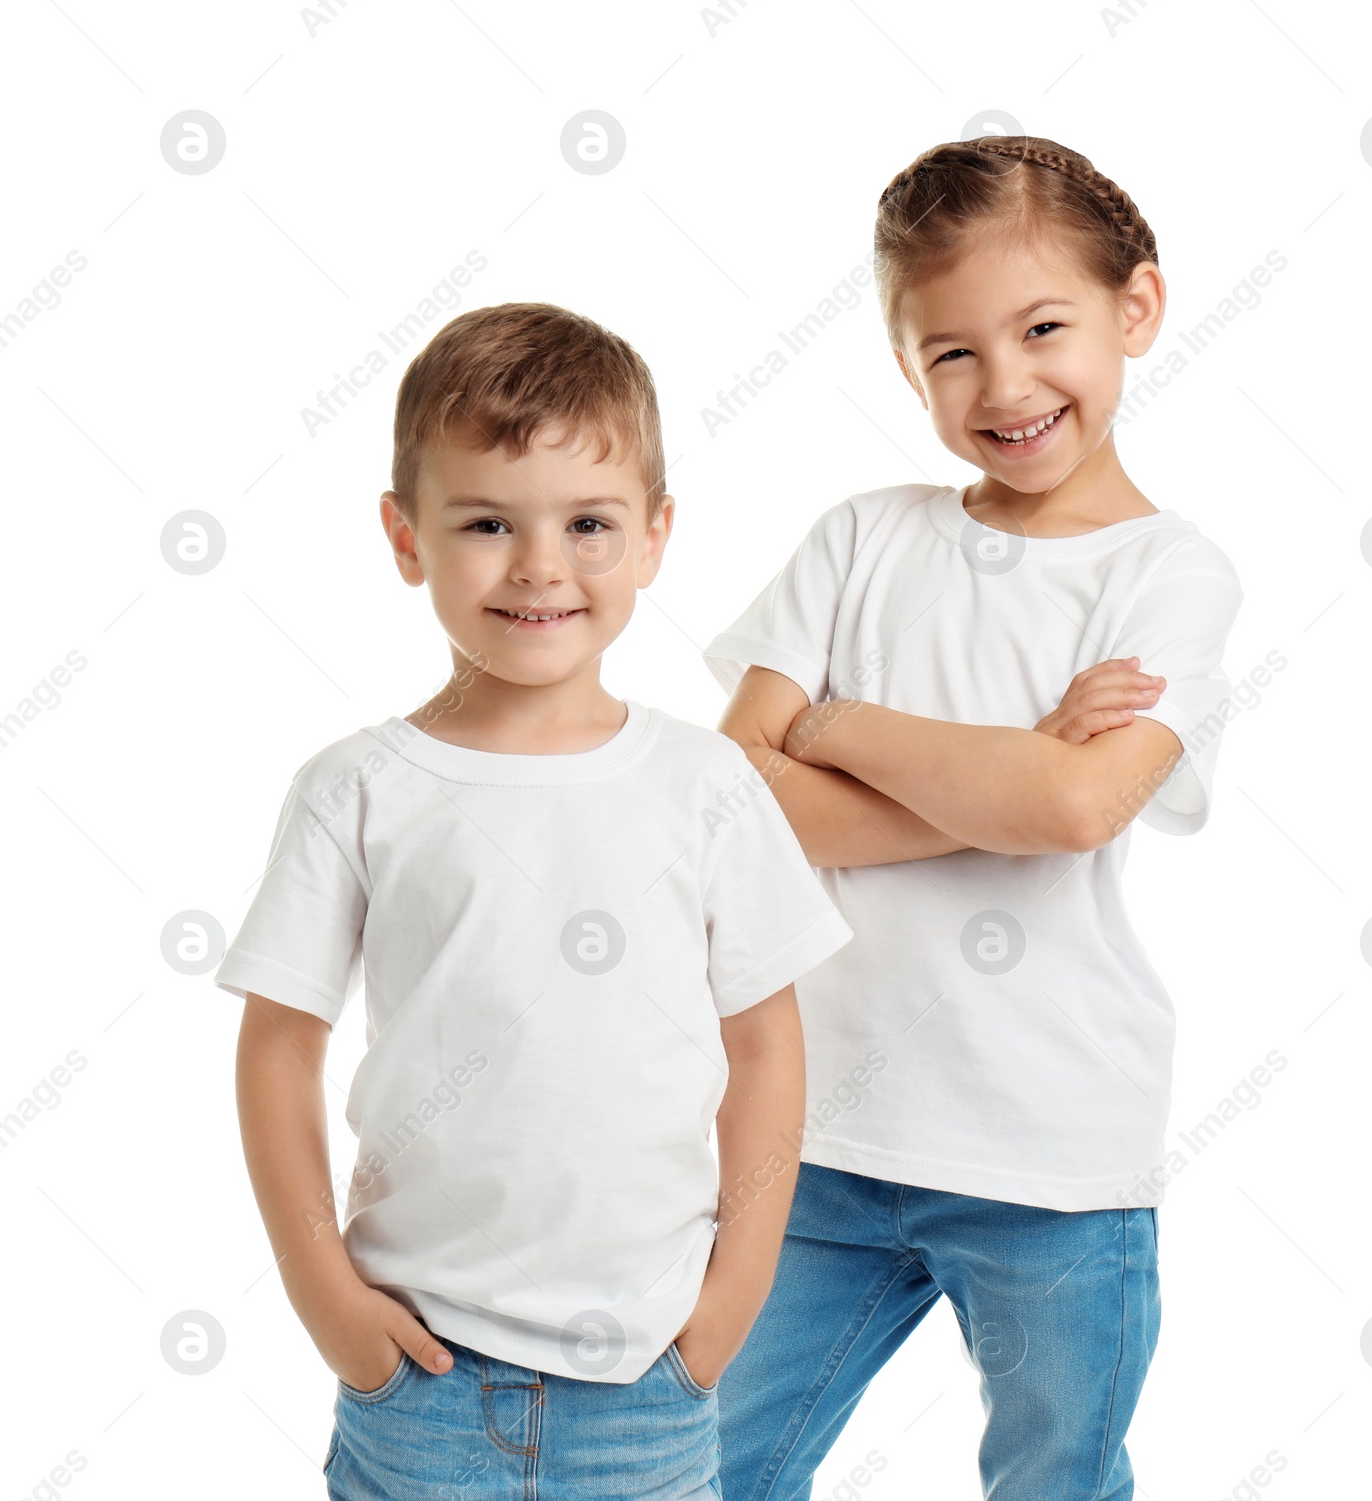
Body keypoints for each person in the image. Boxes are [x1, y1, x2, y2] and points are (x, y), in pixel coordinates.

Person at [219, 301, 852, 1499]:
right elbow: (275, 1053)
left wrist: (732, 1302)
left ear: (656, 535)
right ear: (406, 536)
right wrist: (326, 1301)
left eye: (590, 524)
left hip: (652, 1384)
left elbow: (767, 1046)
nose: (540, 565)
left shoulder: (705, 784)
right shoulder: (357, 787)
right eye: (488, 521)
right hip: (417, 1377)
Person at [703, 135, 1245, 1499]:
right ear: (906, 364)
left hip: (1050, 1151)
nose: (1004, 384)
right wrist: (998, 776)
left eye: (1044, 327)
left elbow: (1073, 807)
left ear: (1138, 309)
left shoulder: (1169, 576)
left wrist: (827, 728)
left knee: (1056, 1474)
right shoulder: (860, 538)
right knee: (708, 1467)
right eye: (949, 351)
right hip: (810, 1138)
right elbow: (728, 801)